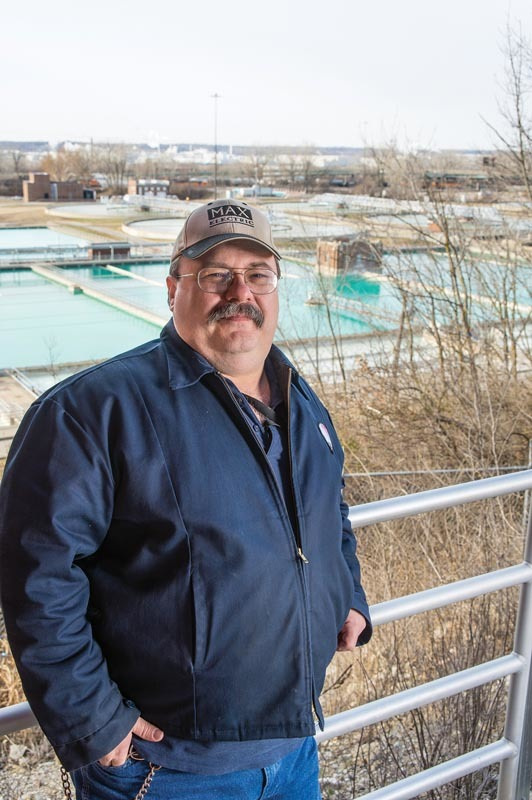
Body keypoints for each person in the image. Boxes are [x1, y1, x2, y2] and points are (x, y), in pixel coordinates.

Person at [0, 199, 371, 799]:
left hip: (295, 750)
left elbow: (331, 509)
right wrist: (93, 717)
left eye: (258, 275)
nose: (240, 292)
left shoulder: (299, 401)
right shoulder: (90, 412)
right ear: (174, 287)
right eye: (216, 274)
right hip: (166, 770)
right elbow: (36, 574)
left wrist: (347, 594)